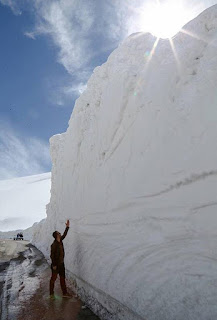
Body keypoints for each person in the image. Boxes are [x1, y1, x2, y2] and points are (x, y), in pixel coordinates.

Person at [49, 219, 71, 298]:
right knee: (53, 279)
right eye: (59, 233)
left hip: (61, 264)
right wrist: (54, 265)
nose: (60, 233)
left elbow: (64, 235)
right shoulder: (54, 245)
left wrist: (67, 227)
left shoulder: (60, 240)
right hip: (56, 265)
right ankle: (51, 293)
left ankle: (65, 293)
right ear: (56, 236)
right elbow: (52, 255)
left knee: (62, 279)